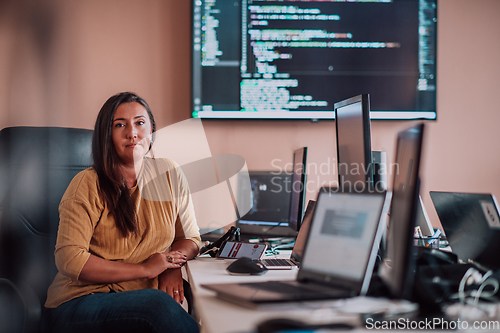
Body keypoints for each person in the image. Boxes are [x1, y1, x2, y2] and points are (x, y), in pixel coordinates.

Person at [41, 92, 201, 333]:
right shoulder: (86, 184)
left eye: (140, 123)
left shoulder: (170, 173)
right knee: (158, 305)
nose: (132, 133)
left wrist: (172, 265)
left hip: (140, 297)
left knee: (195, 299)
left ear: (152, 130)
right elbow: (70, 259)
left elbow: (191, 238)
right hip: (79, 302)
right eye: (120, 125)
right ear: (107, 136)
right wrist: (147, 269)